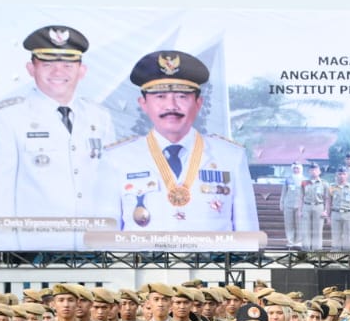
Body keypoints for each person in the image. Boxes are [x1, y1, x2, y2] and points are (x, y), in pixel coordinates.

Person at [0, 25, 117, 251]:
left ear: (82, 70)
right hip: (35, 250)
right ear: (31, 68)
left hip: (94, 246)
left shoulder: (99, 116)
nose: (58, 72)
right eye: (47, 64)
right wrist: (6, 252)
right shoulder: (9, 116)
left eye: (68, 64)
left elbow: (110, 184)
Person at [100, 50, 259, 234]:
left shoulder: (231, 157)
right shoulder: (117, 158)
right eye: (160, 97)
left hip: (211, 263)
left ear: (198, 103)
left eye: (182, 96)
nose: (171, 106)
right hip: (143, 262)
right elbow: (105, 238)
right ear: (143, 103)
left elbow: (247, 235)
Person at [299, 162, 329, 250]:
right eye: (311, 170)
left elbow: (327, 199)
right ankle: (306, 250)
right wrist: (300, 210)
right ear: (308, 172)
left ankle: (317, 250)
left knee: (318, 231)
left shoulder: (324, 183)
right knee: (305, 230)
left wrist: (326, 211)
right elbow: (301, 197)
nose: (313, 172)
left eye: (315, 170)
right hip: (306, 207)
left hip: (318, 207)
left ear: (319, 171)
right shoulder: (304, 183)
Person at [279, 162, 304, 246]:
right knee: (289, 224)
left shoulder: (305, 180)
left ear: (300, 169)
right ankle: (290, 241)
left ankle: (299, 241)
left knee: (299, 224)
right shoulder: (288, 179)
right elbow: (284, 192)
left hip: (300, 206)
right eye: (294, 168)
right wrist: (281, 203)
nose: (296, 170)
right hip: (288, 205)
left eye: (298, 168)